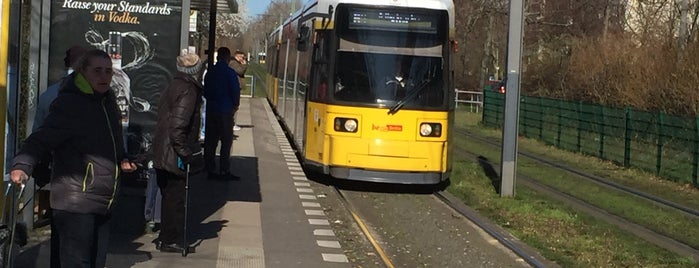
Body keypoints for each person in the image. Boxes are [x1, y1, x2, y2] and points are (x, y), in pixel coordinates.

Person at [10, 49, 138, 268]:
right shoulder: (71, 104)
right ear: (82, 72)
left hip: (103, 199)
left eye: (108, 71)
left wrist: (123, 159)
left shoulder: (107, 103)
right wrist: (22, 165)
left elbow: (112, 144)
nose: (104, 76)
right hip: (76, 200)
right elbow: (41, 138)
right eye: (97, 71)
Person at [151, 49, 204, 253]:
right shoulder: (188, 90)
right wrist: (185, 153)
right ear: (196, 70)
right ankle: (170, 239)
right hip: (173, 153)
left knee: (168, 196)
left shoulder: (174, 84)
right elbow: (178, 126)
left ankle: (166, 237)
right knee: (175, 197)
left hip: (164, 150)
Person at [203, 47, 240, 179]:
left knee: (211, 141)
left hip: (212, 110)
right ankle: (224, 170)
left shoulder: (210, 72)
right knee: (226, 142)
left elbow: (205, 90)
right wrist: (235, 105)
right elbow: (235, 90)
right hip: (225, 111)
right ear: (227, 58)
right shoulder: (230, 73)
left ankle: (210, 169)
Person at [228, 50, 247, 131]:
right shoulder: (233, 63)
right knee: (234, 106)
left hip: (235, 87)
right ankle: (231, 123)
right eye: (242, 57)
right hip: (234, 87)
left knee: (235, 106)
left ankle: (232, 123)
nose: (243, 59)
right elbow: (241, 71)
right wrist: (244, 64)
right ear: (237, 56)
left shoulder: (235, 63)